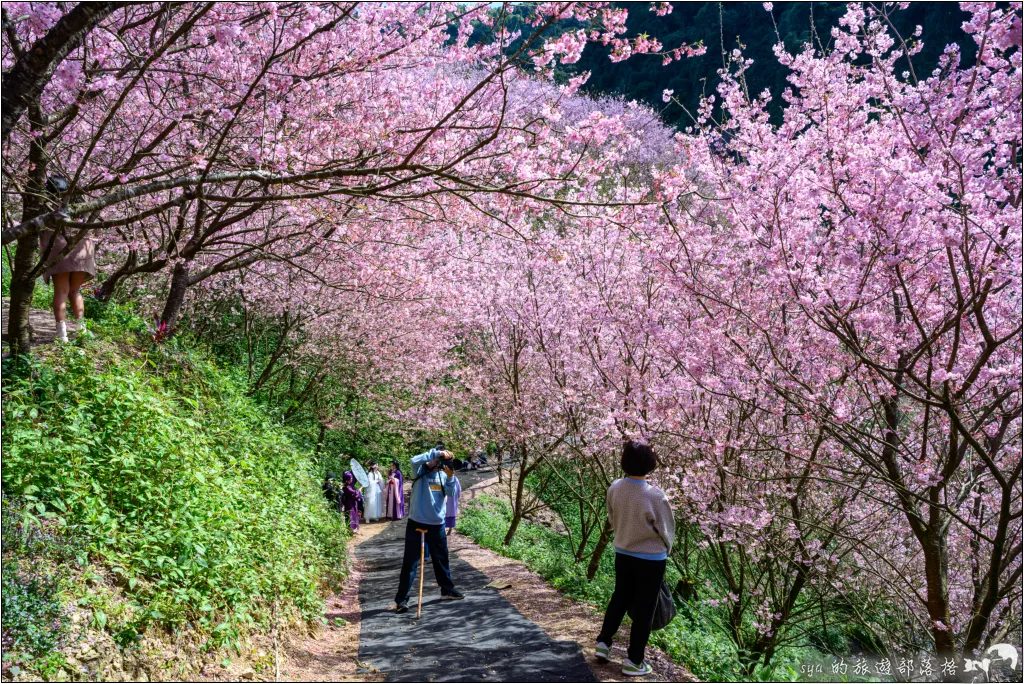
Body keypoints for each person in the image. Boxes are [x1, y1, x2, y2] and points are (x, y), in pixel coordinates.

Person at [595, 441, 675, 677]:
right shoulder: (656, 496)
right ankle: (634, 660)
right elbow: (667, 531)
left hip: (623, 552)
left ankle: (603, 643)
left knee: (619, 598)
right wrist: (665, 550)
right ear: (650, 464)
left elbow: (611, 518)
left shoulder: (615, 487)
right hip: (651, 559)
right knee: (645, 609)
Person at [392, 446, 464, 613]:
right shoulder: (419, 471)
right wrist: (436, 455)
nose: (439, 463)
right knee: (410, 562)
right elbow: (413, 460)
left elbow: (451, 492)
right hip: (417, 522)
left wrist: (451, 476)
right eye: (437, 460)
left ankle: (447, 590)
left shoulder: (443, 474)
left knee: (441, 559)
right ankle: (401, 599)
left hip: (437, 524)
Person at [38, 176, 95, 343]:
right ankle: (81, 329)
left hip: (57, 247)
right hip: (82, 247)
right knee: (75, 291)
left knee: (61, 291)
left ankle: (62, 335)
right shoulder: (79, 203)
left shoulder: (45, 205)